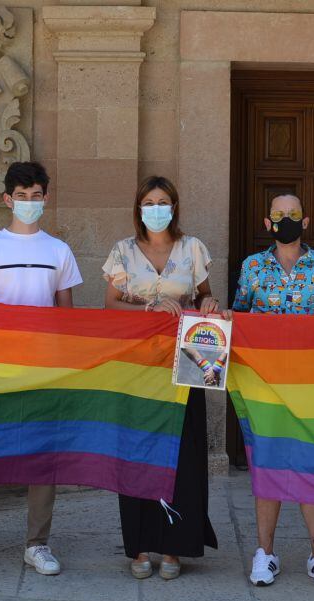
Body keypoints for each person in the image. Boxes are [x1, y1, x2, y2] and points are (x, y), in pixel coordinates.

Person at [0, 161, 82, 576]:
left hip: (41, 369)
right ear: (8, 199)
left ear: (46, 198)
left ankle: (37, 544)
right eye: (21, 196)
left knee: (43, 457)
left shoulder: (58, 251)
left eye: (36, 195)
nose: (29, 202)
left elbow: (67, 317)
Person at [232, 194, 314, 589]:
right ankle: (264, 553)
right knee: (268, 462)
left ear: (306, 222)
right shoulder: (252, 267)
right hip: (263, 383)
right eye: (279, 214)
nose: (286, 219)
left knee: (309, 461)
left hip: (311, 382)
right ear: (268, 222)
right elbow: (239, 317)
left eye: (293, 215)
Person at [103, 175, 221, 580]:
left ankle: (175, 546)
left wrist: (207, 301)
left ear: (174, 207)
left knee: (182, 453)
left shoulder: (193, 249)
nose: (156, 208)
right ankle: (139, 546)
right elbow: (111, 306)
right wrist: (148, 313)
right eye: (149, 201)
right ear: (139, 208)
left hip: (185, 363)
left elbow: (205, 294)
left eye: (163, 201)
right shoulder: (121, 251)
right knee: (136, 451)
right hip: (135, 365)